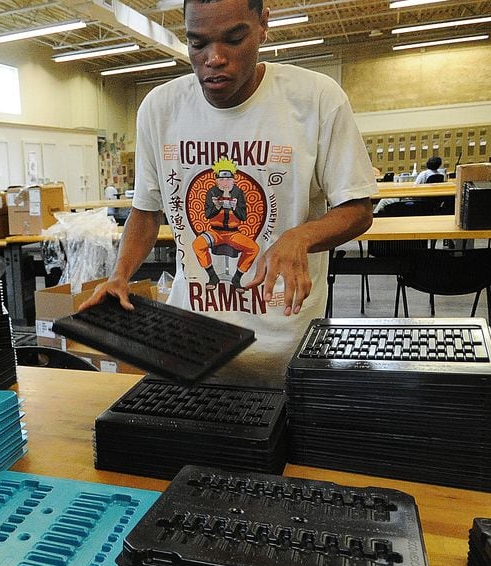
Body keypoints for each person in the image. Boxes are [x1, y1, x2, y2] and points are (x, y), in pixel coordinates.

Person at [79, 0, 376, 386]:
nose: (214, 58)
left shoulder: (316, 100)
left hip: (283, 349)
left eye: (234, 39)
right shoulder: (160, 109)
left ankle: (235, 278)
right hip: (191, 343)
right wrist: (120, 275)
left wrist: (299, 236)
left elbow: (358, 208)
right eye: (197, 43)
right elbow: (146, 210)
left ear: (263, 24)